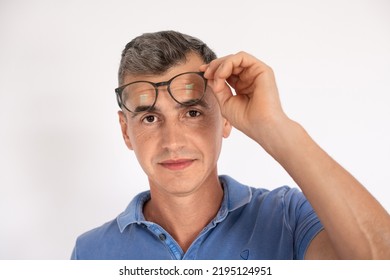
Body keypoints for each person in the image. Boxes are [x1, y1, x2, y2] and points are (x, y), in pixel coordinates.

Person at [71, 30, 390, 260]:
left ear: (225, 118)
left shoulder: (288, 218)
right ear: (126, 131)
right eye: (150, 119)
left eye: (192, 112)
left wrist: (276, 127)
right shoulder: (91, 253)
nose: (173, 141)